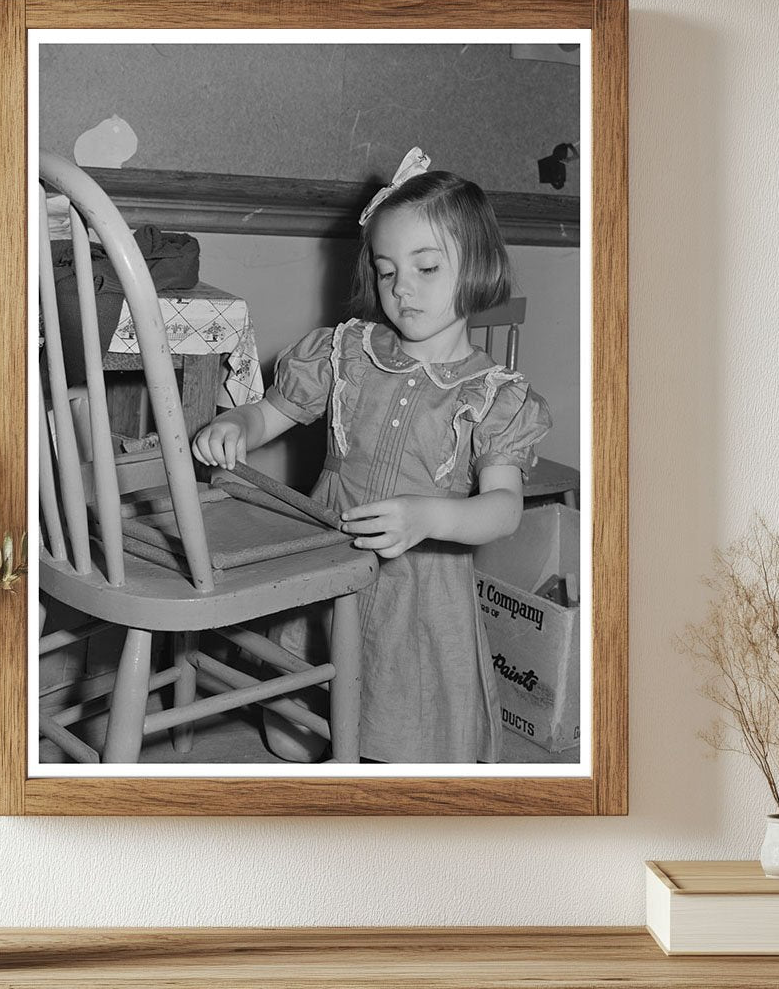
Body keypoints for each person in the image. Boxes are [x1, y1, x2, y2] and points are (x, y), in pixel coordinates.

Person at [191, 148, 553, 764]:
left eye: (426, 267)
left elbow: (502, 509)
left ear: (477, 267)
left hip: (422, 578)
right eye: (387, 271)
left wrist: (430, 517)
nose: (401, 288)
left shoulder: (493, 394)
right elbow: (272, 412)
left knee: (405, 731)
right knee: (294, 733)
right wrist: (237, 423)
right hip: (329, 548)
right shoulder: (348, 352)